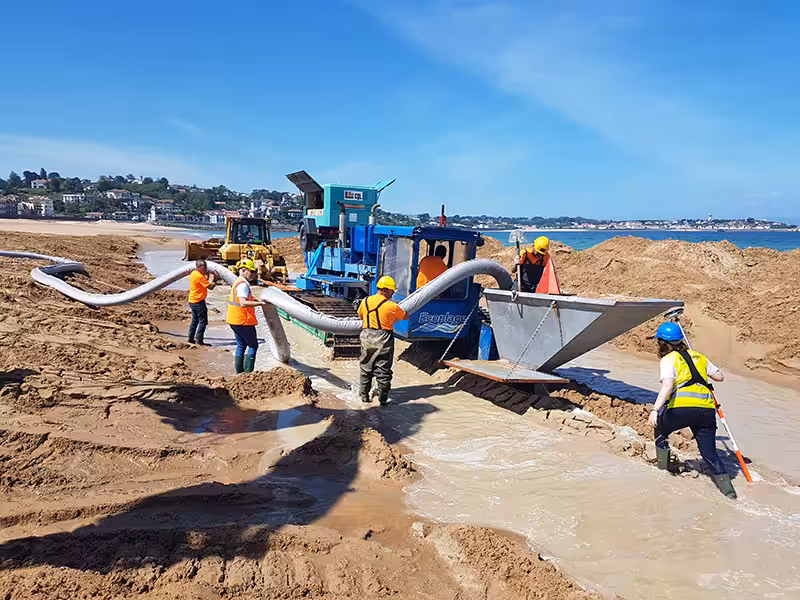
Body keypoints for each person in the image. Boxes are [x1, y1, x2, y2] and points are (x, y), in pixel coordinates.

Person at [648, 322, 737, 499]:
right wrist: (699, 366)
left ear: (663, 343)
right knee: (709, 453)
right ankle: (730, 493)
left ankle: (662, 472)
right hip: (705, 410)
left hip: (681, 408)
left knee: (660, 429)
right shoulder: (699, 357)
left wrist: (654, 409)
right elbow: (720, 377)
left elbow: (667, 386)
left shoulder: (668, 359)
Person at [357, 275, 408, 405]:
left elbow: (360, 315)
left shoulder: (365, 301)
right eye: (391, 291)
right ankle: (383, 400)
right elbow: (405, 316)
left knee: (366, 367)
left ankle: (364, 397)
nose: (393, 293)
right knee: (383, 369)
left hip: (367, 336)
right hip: (383, 338)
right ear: (385, 290)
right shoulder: (391, 306)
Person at [226, 259, 266, 374]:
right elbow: (243, 303)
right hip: (243, 321)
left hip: (234, 319)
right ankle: (248, 374)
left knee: (241, 345)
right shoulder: (243, 285)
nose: (254, 274)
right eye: (251, 272)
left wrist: (254, 300)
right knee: (253, 345)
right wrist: (260, 304)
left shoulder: (238, 282)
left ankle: (240, 373)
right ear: (243, 271)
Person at [188, 259, 216, 345]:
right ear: (199, 267)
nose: (206, 269)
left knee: (195, 321)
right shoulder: (199, 276)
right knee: (203, 322)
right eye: (204, 267)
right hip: (198, 302)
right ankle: (199, 341)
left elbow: (203, 281)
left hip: (192, 300)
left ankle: (191, 338)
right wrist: (214, 280)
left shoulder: (194, 273)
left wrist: (206, 276)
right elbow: (210, 287)